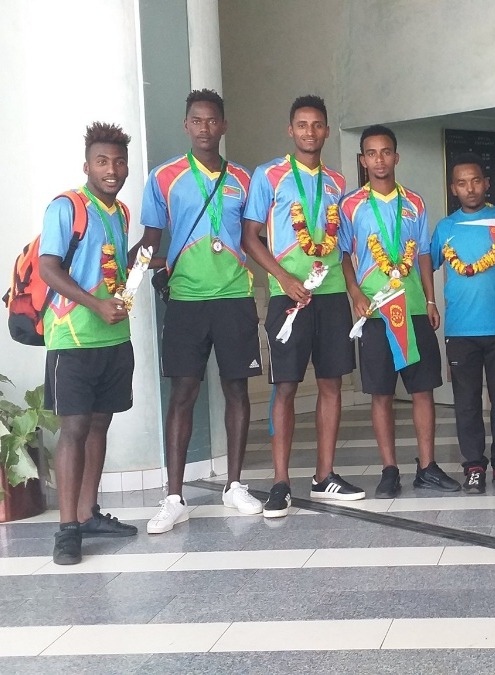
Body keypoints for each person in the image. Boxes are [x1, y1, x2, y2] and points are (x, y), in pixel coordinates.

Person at [137, 89, 263, 534]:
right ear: (186, 125)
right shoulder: (164, 177)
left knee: (237, 390)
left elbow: (252, 238)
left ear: (223, 126)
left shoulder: (245, 179)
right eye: (197, 120)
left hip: (234, 297)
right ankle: (174, 498)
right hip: (187, 300)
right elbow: (150, 241)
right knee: (183, 393)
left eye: (212, 120)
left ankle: (234, 486)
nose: (205, 128)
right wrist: (115, 275)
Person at [242, 95, 364, 517]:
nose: (309, 132)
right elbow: (249, 236)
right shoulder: (269, 175)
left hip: (330, 296)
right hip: (288, 295)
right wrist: (283, 277)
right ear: (290, 130)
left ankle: (324, 475)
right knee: (287, 386)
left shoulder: (337, 182)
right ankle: (280, 483)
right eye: (302, 124)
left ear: (326, 131)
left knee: (331, 383)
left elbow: (342, 245)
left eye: (317, 125)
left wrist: (353, 290)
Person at [340, 125, 461, 498]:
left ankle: (427, 467)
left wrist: (430, 299)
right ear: (363, 160)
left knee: (423, 389)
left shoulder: (415, 203)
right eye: (371, 153)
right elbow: (343, 255)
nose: (379, 159)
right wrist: (355, 294)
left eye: (386, 152)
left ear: (396, 156)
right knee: (381, 393)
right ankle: (389, 469)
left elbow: (423, 253)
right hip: (375, 311)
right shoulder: (350, 204)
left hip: (413, 310)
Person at [39, 122, 138, 564]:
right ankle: (67, 531)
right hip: (73, 338)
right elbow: (48, 268)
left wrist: (146, 257)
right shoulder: (67, 207)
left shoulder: (121, 213)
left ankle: (88, 513)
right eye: (102, 161)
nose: (111, 169)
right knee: (74, 430)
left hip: (114, 337)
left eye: (118, 162)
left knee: (100, 425)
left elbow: (110, 267)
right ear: (87, 166)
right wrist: (95, 304)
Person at [431, 153, 495, 493]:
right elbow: (424, 261)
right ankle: (473, 465)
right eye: (462, 183)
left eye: (476, 181)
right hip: (460, 330)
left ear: (486, 183)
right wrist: (429, 301)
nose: (470, 188)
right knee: (467, 401)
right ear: (453, 189)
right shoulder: (445, 227)